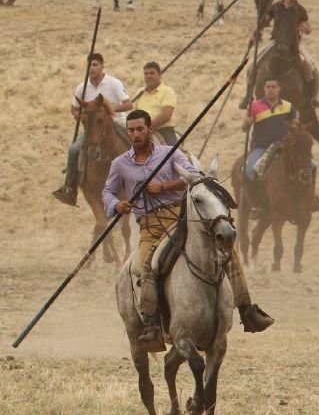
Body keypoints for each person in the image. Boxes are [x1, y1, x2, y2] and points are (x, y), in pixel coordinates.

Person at [103, 110, 274, 348]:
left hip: (181, 219)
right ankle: (153, 325)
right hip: (150, 226)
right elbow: (107, 193)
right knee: (145, 266)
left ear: (149, 129)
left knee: (227, 252)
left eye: (140, 129)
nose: (135, 134)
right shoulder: (120, 164)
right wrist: (117, 204)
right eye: (131, 130)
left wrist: (163, 186)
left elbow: (194, 176)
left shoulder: (170, 154)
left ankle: (247, 310)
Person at [52, 53, 132, 206]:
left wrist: (108, 110)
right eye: (90, 65)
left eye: (95, 65)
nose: (92, 68)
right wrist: (79, 116)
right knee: (74, 150)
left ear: (102, 66)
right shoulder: (82, 88)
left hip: (116, 122)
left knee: (136, 141)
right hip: (93, 128)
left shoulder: (113, 83)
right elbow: (73, 109)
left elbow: (128, 104)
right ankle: (70, 188)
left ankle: (144, 178)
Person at [241, 0, 318, 108]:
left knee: (309, 65)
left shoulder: (300, 10)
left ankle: (312, 97)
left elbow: (308, 27)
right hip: (275, 42)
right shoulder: (275, 7)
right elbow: (265, 21)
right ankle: (248, 96)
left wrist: (306, 29)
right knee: (253, 65)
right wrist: (254, 33)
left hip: (294, 44)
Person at [242, 79, 297, 221]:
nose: (270, 89)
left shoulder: (288, 106)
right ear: (264, 89)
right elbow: (244, 127)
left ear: (279, 89)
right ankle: (257, 205)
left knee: (309, 165)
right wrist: (247, 122)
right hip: (261, 147)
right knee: (248, 170)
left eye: (273, 86)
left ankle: (307, 200)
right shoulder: (254, 106)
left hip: (282, 147)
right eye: (267, 87)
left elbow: (295, 125)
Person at [133, 62, 178, 145]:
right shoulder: (140, 92)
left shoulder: (167, 91)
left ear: (160, 75)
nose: (149, 76)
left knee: (174, 155)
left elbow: (166, 115)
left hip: (163, 131)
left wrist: (147, 127)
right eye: (146, 74)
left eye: (152, 73)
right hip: (140, 132)